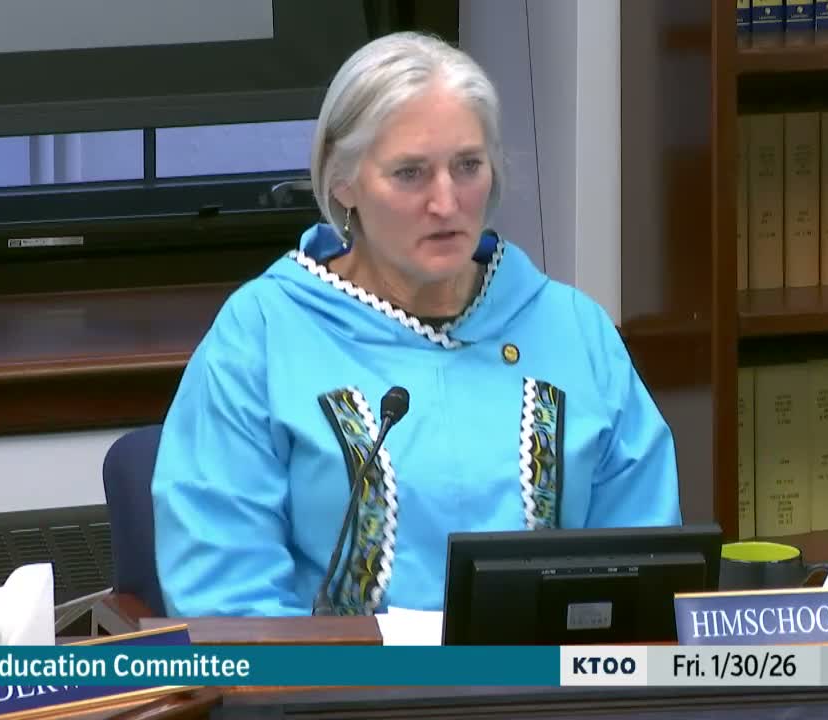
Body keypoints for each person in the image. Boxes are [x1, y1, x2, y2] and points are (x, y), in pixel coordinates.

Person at [151, 31, 680, 618]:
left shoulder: (575, 329)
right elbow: (225, 602)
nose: (446, 203)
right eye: (410, 173)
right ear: (342, 181)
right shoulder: (260, 335)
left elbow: (646, 572)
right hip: (333, 678)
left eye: (468, 166)